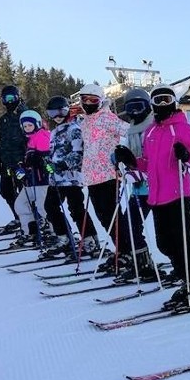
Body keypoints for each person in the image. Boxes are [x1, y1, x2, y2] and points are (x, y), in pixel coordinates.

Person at [129, 84, 190, 309]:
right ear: (152, 104)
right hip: (157, 196)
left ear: (174, 102)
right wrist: (130, 160)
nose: (163, 104)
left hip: (178, 195)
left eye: (167, 99)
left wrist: (186, 154)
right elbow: (148, 164)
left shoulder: (182, 128)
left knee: (185, 241)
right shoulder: (150, 131)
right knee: (165, 244)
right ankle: (188, 280)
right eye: (158, 100)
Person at [111, 87, 158, 282]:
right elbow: (130, 155)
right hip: (137, 186)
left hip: (155, 186)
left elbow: (153, 158)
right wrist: (118, 159)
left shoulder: (152, 125)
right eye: (131, 108)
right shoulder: (130, 129)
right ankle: (141, 261)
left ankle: (146, 265)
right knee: (129, 223)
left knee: (158, 230)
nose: (135, 112)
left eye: (139, 107)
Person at [77, 83, 128, 264]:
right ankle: (120, 250)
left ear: (100, 101)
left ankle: (127, 251)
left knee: (113, 215)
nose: (89, 103)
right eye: (85, 99)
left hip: (108, 174)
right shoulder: (83, 124)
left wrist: (124, 153)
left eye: (93, 100)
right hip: (92, 177)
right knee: (103, 217)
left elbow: (128, 132)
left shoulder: (107, 118)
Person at [40, 95, 95, 259]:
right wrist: (48, 162)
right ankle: (64, 237)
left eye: (59, 112)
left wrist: (62, 165)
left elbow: (78, 154)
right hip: (56, 178)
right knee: (50, 207)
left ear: (66, 110)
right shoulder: (55, 132)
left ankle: (90, 241)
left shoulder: (75, 128)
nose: (56, 116)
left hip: (72, 178)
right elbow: (53, 153)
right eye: (51, 113)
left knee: (76, 209)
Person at [10, 110, 52, 247]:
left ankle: (54, 232)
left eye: (30, 125)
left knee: (43, 207)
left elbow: (48, 160)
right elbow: (27, 159)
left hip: (42, 181)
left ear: (37, 124)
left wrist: (39, 161)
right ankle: (30, 231)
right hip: (30, 181)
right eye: (25, 126)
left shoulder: (42, 136)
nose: (27, 128)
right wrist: (21, 167)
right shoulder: (28, 140)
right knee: (20, 204)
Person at [0, 85, 27, 234]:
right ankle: (19, 217)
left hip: (22, 162)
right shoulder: (3, 120)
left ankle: (33, 220)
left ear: (18, 97)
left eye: (12, 98)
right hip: (7, 162)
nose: (9, 101)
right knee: (6, 191)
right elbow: (1, 141)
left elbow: (33, 137)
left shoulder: (25, 114)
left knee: (25, 191)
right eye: (5, 99)